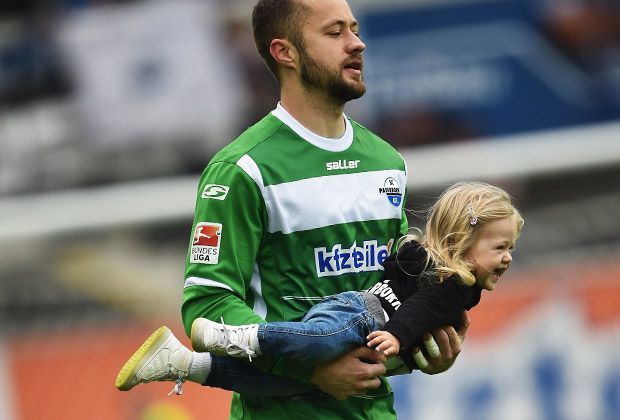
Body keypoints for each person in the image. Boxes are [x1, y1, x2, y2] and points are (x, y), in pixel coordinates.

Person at [115, 0, 469, 418]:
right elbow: (207, 309)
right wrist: (311, 368)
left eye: (354, 29)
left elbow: (390, 293)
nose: (357, 44)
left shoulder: (387, 162)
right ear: (286, 52)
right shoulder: (242, 170)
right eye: (335, 33)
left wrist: (425, 346)